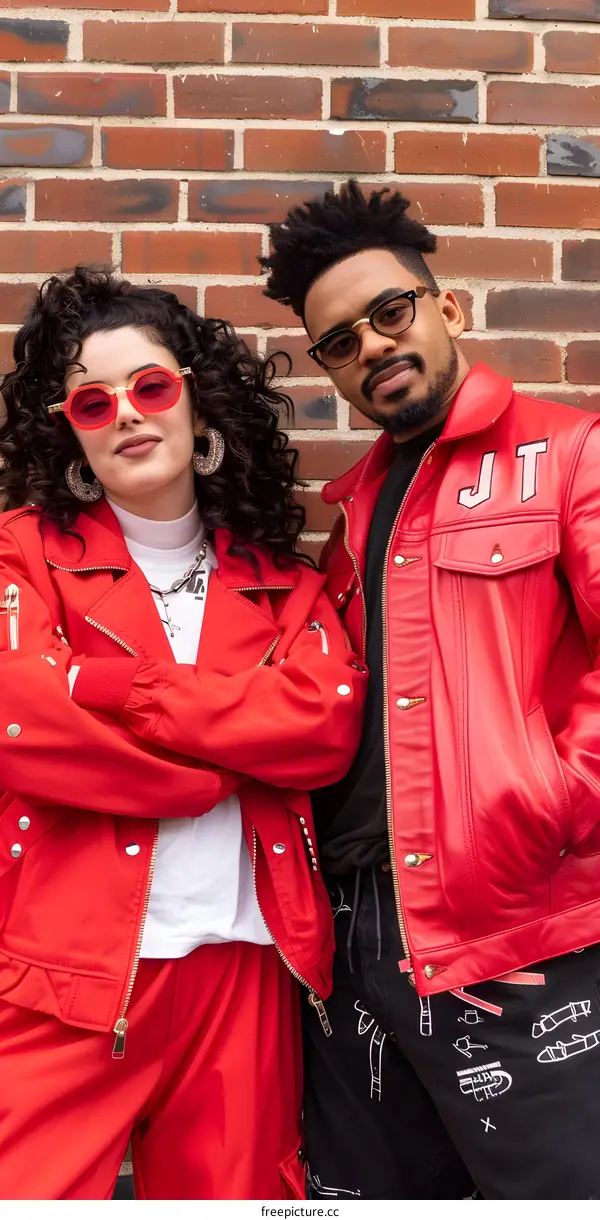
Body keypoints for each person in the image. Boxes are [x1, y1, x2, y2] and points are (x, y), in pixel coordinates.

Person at [261, 180, 600, 1201]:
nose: (372, 345)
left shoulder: (569, 455)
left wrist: (551, 797)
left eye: (391, 311)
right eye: (340, 341)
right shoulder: (355, 512)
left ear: (446, 307)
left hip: (514, 923)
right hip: (357, 934)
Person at [0, 267, 367, 1201]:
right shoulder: (22, 552)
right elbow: (24, 723)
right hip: (61, 970)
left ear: (197, 403)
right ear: (70, 432)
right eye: (92, 400)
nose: (127, 414)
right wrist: (209, 770)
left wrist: (113, 686)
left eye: (150, 386)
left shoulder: (283, 581)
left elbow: (322, 729)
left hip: (246, 969)